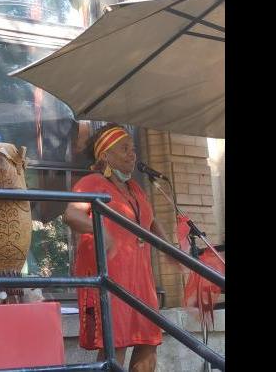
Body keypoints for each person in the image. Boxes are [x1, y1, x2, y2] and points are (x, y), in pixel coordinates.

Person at [63, 123, 167, 372]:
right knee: (116, 343)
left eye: (133, 148)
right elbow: (70, 215)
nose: (133, 153)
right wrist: (101, 232)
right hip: (112, 275)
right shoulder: (92, 182)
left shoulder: (135, 188)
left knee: (148, 341)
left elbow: (150, 220)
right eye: (124, 148)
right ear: (105, 156)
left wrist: (172, 251)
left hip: (141, 278)